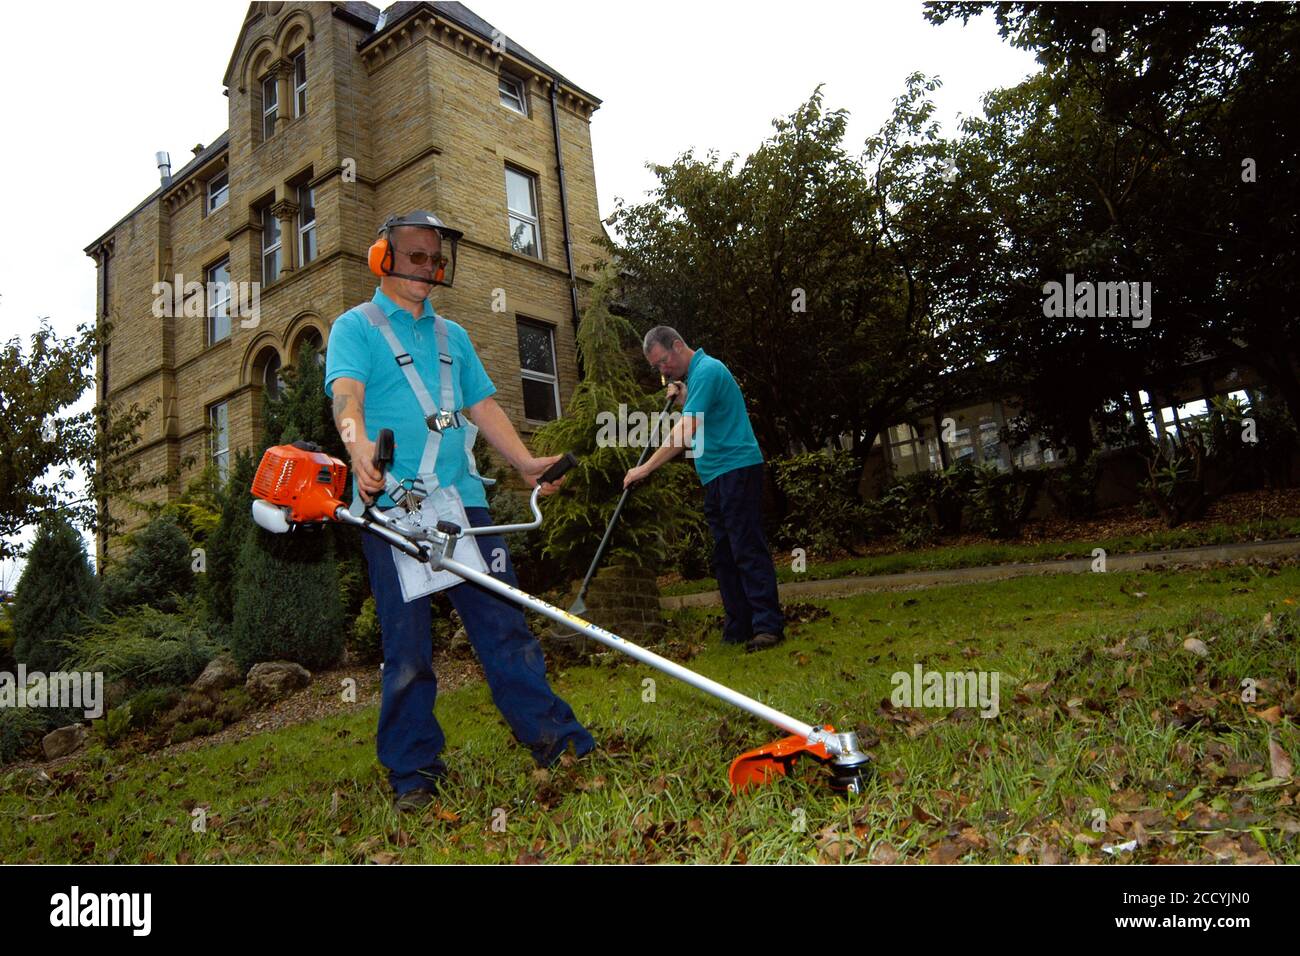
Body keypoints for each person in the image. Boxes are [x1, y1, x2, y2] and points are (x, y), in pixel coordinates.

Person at [325, 210, 594, 812]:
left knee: (506, 629)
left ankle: (559, 744)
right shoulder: (355, 327)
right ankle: (414, 774)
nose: (429, 267)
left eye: (436, 258)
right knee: (408, 647)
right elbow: (348, 396)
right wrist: (359, 448)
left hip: (464, 504)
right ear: (382, 258)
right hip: (392, 507)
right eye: (416, 256)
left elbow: (483, 406)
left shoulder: (455, 338)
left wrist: (524, 463)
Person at [623, 326, 784, 652]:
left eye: (663, 362)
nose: (662, 371)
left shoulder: (709, 371)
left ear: (678, 346)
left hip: (737, 468)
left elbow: (685, 432)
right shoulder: (696, 381)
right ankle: (739, 626)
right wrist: (683, 397)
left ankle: (768, 626)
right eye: (656, 368)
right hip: (715, 475)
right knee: (724, 556)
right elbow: (701, 414)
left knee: (746, 549)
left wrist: (646, 467)